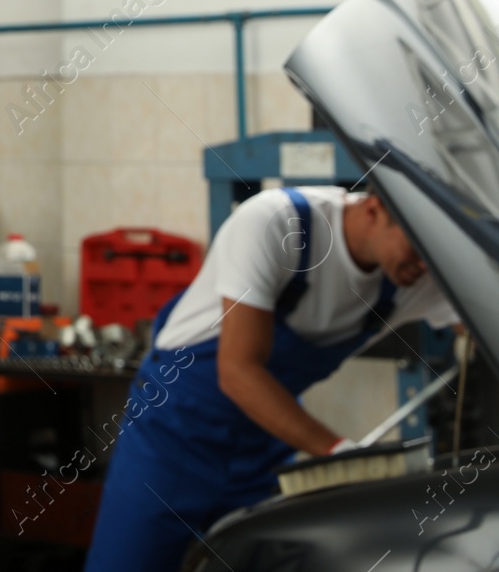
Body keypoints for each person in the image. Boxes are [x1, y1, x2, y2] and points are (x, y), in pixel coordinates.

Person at [84, 183, 458, 572]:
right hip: (171, 434)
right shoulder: (275, 224)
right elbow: (238, 373)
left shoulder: (414, 276)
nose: (429, 267)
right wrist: (341, 455)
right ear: (375, 209)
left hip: (263, 445)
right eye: (419, 246)